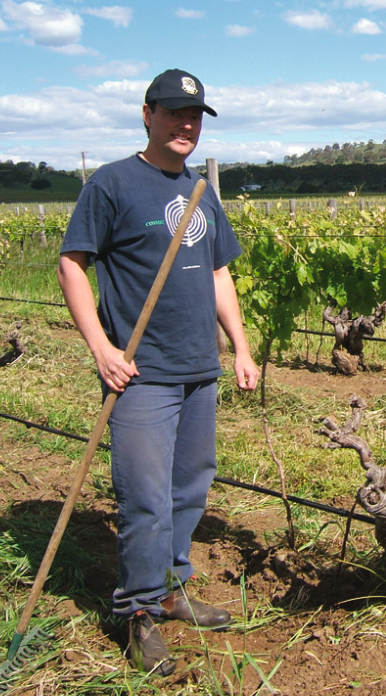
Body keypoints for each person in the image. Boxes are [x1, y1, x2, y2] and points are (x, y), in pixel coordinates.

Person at [57, 68, 260, 676]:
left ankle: (171, 588)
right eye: (174, 114)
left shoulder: (201, 189)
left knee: (190, 485)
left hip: (199, 368)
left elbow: (220, 274)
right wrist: (101, 347)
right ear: (147, 115)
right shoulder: (112, 184)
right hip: (140, 372)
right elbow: (72, 264)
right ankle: (139, 611)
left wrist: (241, 348)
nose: (186, 125)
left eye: (194, 116)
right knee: (145, 497)